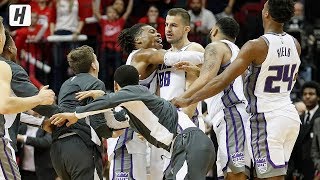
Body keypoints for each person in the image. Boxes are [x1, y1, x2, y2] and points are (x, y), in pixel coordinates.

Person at [173, 0, 301, 179]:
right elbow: (288, 76)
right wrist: (197, 70)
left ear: (266, 14)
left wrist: (187, 99)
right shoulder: (295, 43)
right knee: (266, 175)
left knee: (266, 177)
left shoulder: (255, 45)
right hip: (289, 116)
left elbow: (222, 80)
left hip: (266, 117)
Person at [50, 64, 216, 180]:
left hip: (188, 143)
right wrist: (101, 98)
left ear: (116, 85)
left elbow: (110, 101)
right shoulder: (135, 109)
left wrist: (74, 114)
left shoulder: (136, 91)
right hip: (187, 147)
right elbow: (114, 123)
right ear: (137, 78)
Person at [117, 22, 205, 179]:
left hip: (141, 123)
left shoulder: (144, 61)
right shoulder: (144, 54)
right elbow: (177, 57)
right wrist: (214, 57)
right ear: (138, 40)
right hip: (130, 125)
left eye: (158, 31)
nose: (158, 34)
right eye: (151, 31)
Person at [174, 17, 250, 180]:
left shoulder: (215, 46)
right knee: (227, 174)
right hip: (234, 115)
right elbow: (224, 77)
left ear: (214, 30)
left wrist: (181, 99)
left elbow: (207, 78)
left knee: (236, 174)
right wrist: (196, 70)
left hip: (231, 114)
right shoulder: (237, 50)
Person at [0, 17, 55, 180]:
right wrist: (39, 99)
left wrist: (39, 122)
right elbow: (5, 105)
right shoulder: (6, 67)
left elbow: (10, 110)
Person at [50, 45, 111, 180]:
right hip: (80, 146)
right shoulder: (96, 83)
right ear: (93, 65)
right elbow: (98, 123)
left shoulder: (66, 84)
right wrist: (111, 133)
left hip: (57, 149)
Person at [290, 81, 320, 179]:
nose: (307, 96)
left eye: (311, 94)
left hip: (316, 169)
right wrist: (295, 170)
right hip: (300, 170)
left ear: (318, 97)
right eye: (305, 94)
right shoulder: (298, 118)